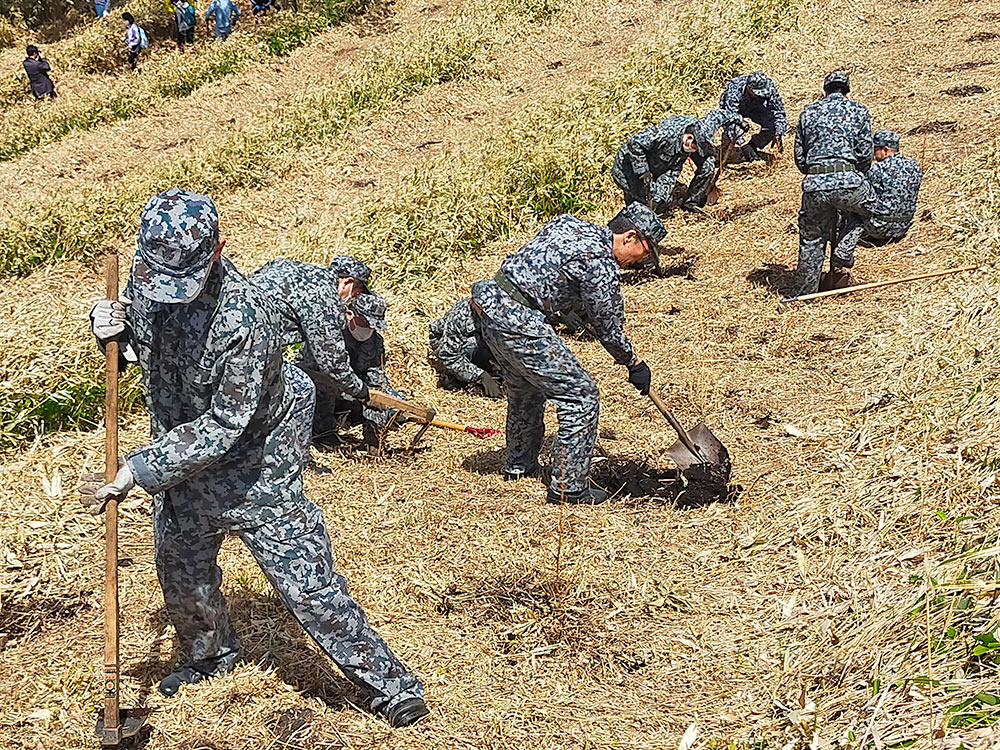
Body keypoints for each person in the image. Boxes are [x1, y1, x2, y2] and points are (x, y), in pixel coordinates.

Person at [81, 188, 428, 728]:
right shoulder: (154, 276)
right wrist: (118, 331)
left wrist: (141, 468)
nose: (166, 292)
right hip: (184, 460)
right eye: (155, 277)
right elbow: (151, 347)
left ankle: (388, 683)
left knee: (307, 586)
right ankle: (211, 656)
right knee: (181, 571)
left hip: (253, 464)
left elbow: (226, 423)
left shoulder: (247, 320)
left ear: (218, 251)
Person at [471, 204, 666, 505]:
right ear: (630, 237)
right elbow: (608, 329)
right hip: (520, 320)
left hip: (490, 307)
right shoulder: (600, 264)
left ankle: (519, 468)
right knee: (581, 397)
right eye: (646, 252)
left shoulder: (570, 224)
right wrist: (633, 363)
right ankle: (569, 489)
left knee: (527, 390)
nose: (641, 262)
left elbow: (549, 273)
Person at [792, 71, 876, 296]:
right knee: (874, 209)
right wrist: (852, 175)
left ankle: (805, 296)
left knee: (811, 239)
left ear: (825, 91)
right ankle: (843, 250)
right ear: (846, 91)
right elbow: (865, 153)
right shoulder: (859, 110)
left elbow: (800, 157)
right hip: (849, 182)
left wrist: (817, 175)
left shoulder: (808, 113)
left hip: (814, 186)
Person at [612, 109, 743, 213]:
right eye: (695, 148)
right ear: (689, 139)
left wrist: (740, 120)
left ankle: (691, 202)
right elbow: (634, 143)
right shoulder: (665, 134)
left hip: (665, 163)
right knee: (642, 201)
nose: (694, 151)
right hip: (628, 165)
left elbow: (719, 114)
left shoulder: (706, 126)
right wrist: (642, 169)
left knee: (661, 199)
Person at [834, 130, 923, 270]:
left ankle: (843, 252)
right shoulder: (915, 166)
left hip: (879, 228)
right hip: (903, 227)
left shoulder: (877, 169)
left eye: (875, 150)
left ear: (885, 149)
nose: (873, 155)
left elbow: (861, 197)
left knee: (852, 207)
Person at [428, 287, 502, 399]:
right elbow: (449, 355)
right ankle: (456, 377)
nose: (487, 311)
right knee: (472, 345)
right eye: (482, 307)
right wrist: (481, 375)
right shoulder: (461, 317)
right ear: (472, 302)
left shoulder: (498, 311)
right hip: (446, 344)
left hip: (479, 340)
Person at [719, 71, 787, 162]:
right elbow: (730, 119)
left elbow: (779, 112)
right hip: (736, 109)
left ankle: (754, 145)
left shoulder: (768, 87)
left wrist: (778, 132)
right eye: (757, 93)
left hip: (756, 107)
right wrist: (743, 144)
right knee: (730, 130)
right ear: (748, 88)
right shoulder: (734, 90)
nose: (761, 94)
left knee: (772, 126)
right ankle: (723, 154)